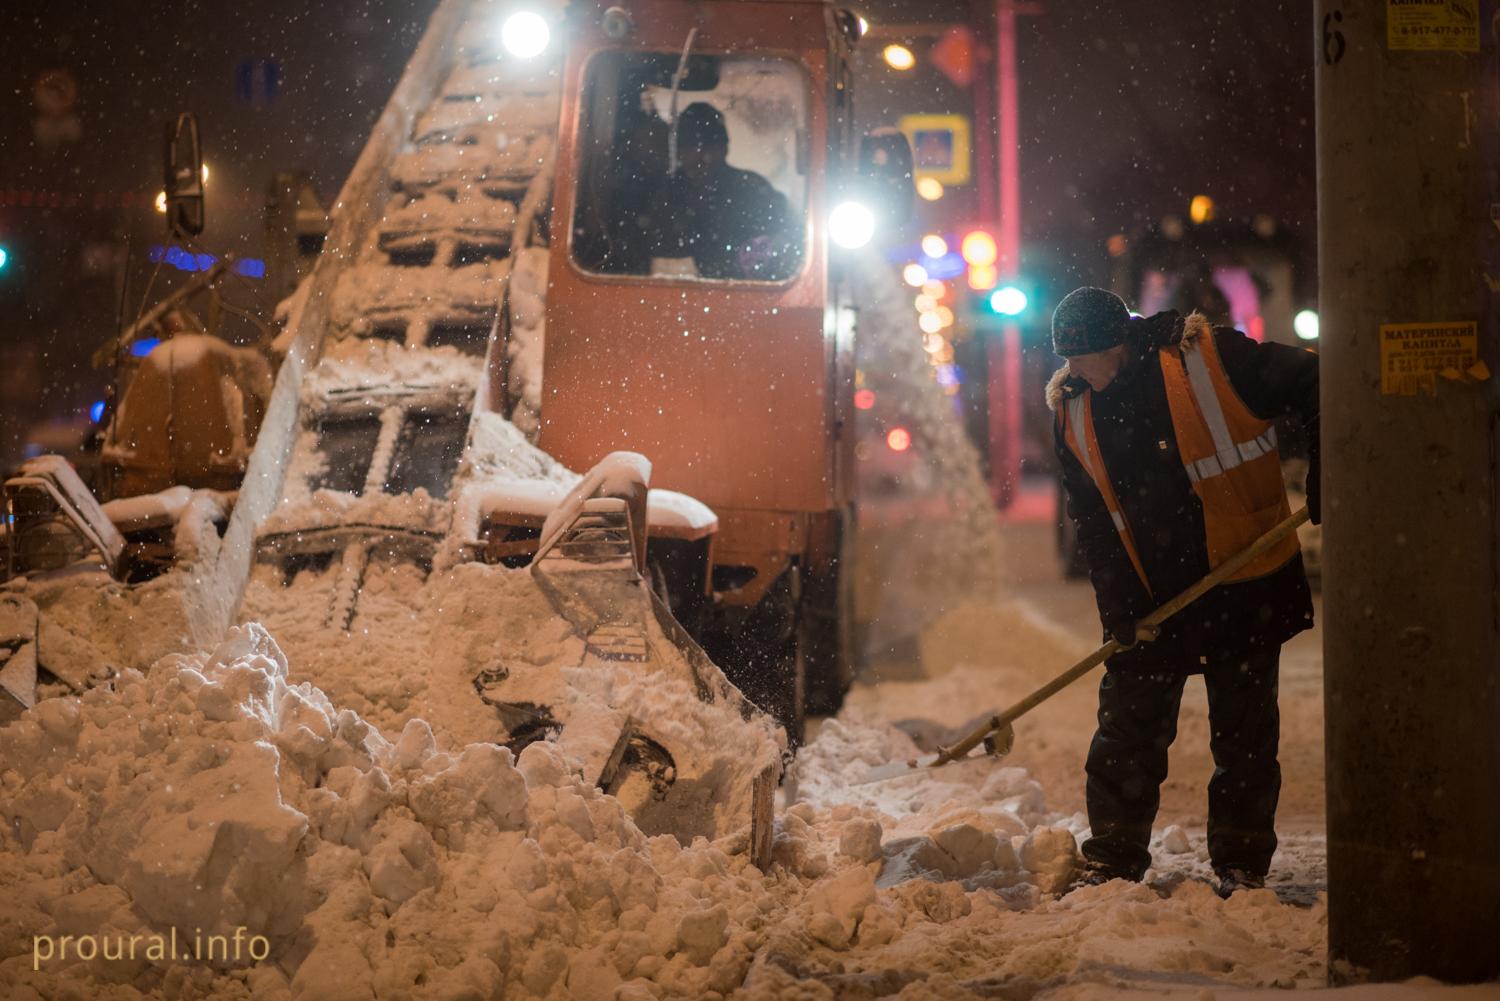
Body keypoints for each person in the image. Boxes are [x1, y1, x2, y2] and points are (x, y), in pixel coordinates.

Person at [1045, 287, 1320, 898]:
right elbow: (1092, 521)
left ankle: (1241, 864)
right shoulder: (1073, 408)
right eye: (1065, 359)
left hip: (1242, 584)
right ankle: (1113, 856)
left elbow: (1314, 379)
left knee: (1245, 737)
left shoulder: (1208, 358)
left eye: (1080, 358)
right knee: (1125, 734)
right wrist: (1118, 610)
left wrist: (1331, 466)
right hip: (1153, 602)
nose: (1072, 372)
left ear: (1115, 346)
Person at [649, 102, 794, 280]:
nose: (699, 157)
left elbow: (780, 252)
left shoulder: (753, 191)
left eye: (708, 148)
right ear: (679, 153)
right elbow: (650, 250)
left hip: (741, 296)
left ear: (723, 149)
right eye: (689, 149)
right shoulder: (666, 194)